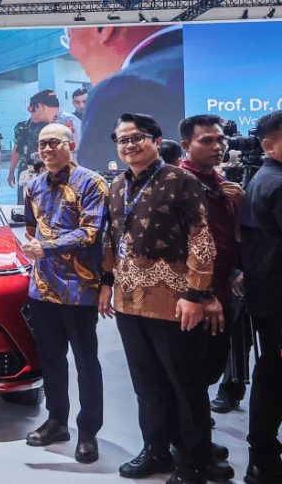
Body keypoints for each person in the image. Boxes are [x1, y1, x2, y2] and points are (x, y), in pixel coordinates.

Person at [99, 113, 232, 484]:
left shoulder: (180, 180)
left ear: (156, 141)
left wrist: (196, 294)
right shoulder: (117, 185)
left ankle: (193, 462)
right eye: (122, 139)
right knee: (147, 385)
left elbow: (201, 239)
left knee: (185, 386)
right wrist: (107, 282)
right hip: (128, 302)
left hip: (174, 302)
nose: (129, 145)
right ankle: (155, 451)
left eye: (137, 137)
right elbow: (112, 239)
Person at [21, 123, 108, 464]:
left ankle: (88, 431)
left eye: (54, 142)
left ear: (71, 145)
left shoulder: (92, 183)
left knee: (86, 362)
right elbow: (32, 228)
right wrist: (37, 248)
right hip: (43, 288)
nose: (46, 149)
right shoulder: (33, 185)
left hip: (79, 289)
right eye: (42, 144)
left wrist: (47, 247)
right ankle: (57, 421)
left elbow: (91, 232)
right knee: (52, 360)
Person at [177, 115, 244, 460]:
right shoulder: (176, 184)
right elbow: (177, 250)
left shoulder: (222, 183)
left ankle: (197, 441)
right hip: (192, 299)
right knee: (188, 375)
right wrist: (201, 294)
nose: (217, 147)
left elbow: (229, 237)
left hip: (224, 292)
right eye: (207, 140)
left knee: (209, 371)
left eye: (220, 140)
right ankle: (187, 450)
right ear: (186, 145)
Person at [66, 25, 184, 171]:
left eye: (70, 36)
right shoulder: (199, 56)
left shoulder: (118, 89)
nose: (72, 51)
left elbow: (92, 176)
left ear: (102, 28)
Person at [237, 110, 282, 484]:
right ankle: (262, 459)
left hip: (267, 294)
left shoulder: (262, 178)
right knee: (272, 376)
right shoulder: (275, 183)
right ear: (269, 145)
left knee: (270, 372)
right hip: (276, 297)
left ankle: (263, 454)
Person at [9, 90, 59, 202]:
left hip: (48, 173)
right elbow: (17, 150)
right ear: (32, 108)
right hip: (26, 173)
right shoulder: (22, 127)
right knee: (24, 205)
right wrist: (11, 172)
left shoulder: (55, 126)